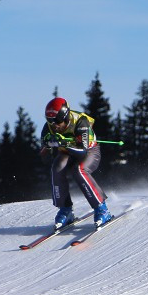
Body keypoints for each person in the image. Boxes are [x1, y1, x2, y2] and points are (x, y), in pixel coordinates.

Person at [40, 97, 113, 228]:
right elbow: (44, 153)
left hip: (90, 151)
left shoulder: (80, 122)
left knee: (79, 170)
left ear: (65, 116)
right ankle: (65, 210)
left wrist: (64, 143)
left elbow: (82, 152)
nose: (54, 125)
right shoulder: (50, 126)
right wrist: (48, 145)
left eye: (57, 121)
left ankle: (102, 208)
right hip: (67, 153)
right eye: (50, 121)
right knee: (57, 168)